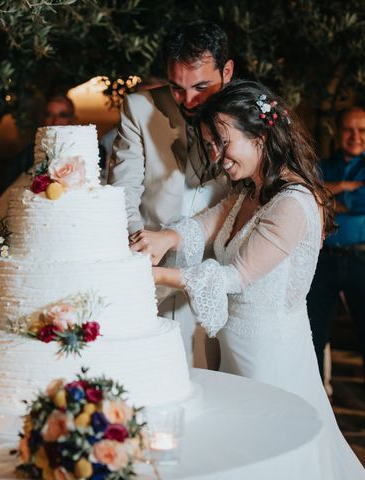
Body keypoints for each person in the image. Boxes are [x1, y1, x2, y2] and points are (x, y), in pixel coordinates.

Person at [147, 80, 364, 477]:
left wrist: (156, 275)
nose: (217, 156)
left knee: (271, 455)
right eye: (210, 144)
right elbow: (211, 221)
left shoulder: (294, 204)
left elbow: (235, 276)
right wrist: (167, 236)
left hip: (271, 358)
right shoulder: (254, 191)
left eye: (222, 142)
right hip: (235, 349)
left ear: (260, 135)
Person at [108, 20, 232, 365]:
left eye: (202, 86)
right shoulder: (139, 109)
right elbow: (122, 192)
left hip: (221, 274)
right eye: (178, 88)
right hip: (153, 278)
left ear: (228, 70)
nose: (189, 100)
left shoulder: (248, 113)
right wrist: (143, 247)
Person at [308, 106, 365, 387]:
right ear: (338, 132)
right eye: (348, 129)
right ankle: (318, 399)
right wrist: (345, 185)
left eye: (362, 130)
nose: (355, 136)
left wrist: (328, 194)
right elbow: (308, 196)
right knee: (313, 334)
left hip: (360, 259)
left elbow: (358, 204)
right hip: (323, 261)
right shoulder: (320, 166)